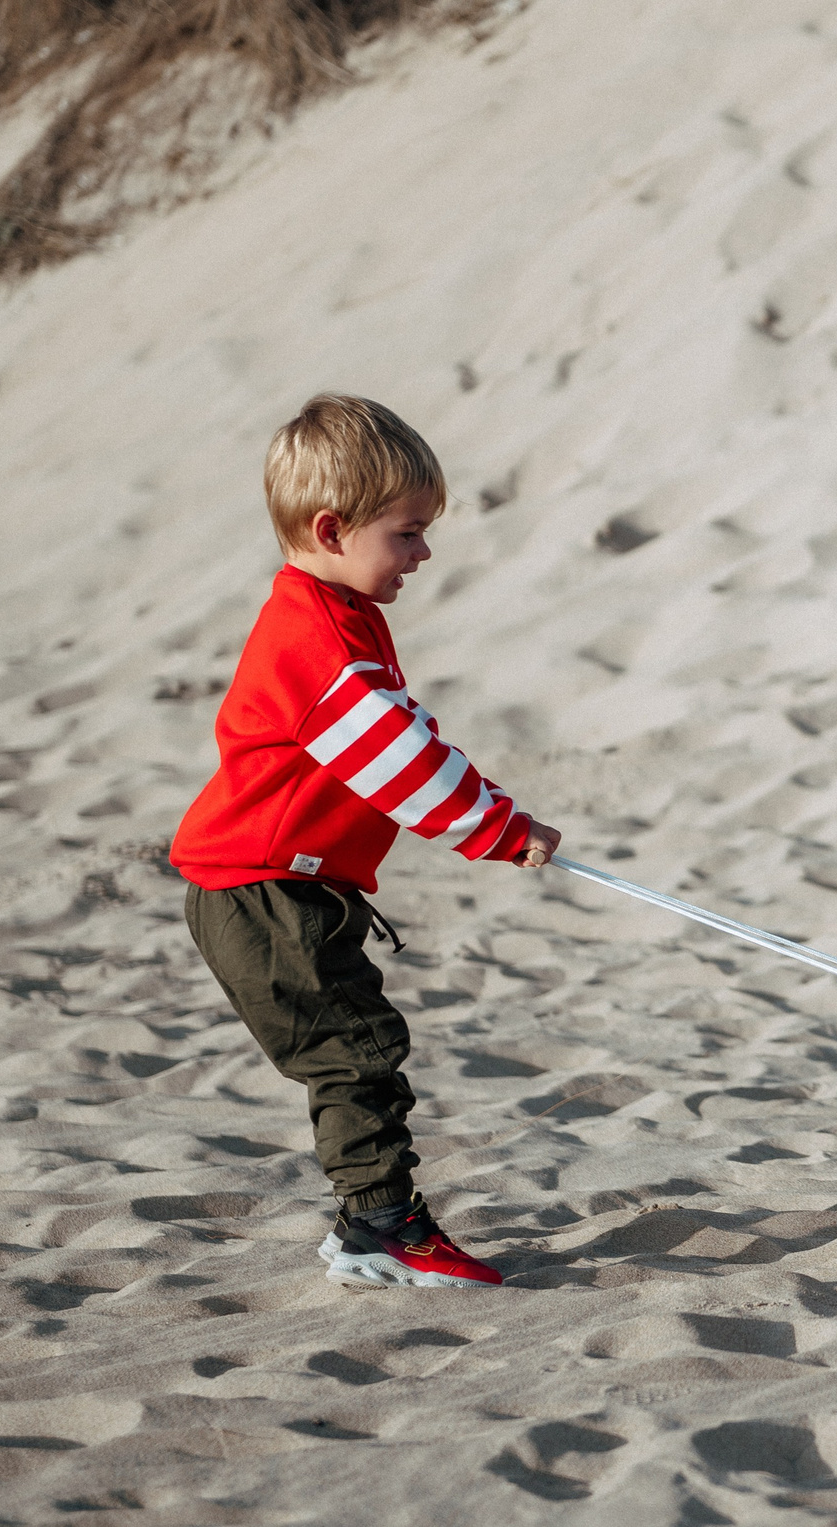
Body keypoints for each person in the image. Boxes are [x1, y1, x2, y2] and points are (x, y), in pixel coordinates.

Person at [170, 395, 561, 1289]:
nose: (423, 554)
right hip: (260, 890)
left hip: (288, 887)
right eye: (408, 532)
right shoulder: (313, 634)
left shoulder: (337, 616)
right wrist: (500, 830)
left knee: (358, 1043)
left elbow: (408, 733)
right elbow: (397, 761)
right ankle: (381, 1225)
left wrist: (496, 811)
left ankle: (370, 1220)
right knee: (355, 1052)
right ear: (331, 528)